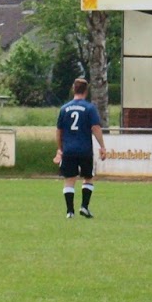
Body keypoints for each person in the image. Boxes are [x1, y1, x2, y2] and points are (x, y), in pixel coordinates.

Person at [55, 77, 107, 218]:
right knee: (88, 177)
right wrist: (102, 146)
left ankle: (70, 212)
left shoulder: (64, 109)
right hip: (84, 150)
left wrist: (60, 148)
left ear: (74, 89)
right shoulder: (89, 108)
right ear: (86, 91)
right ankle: (84, 207)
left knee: (69, 180)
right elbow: (95, 127)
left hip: (69, 150)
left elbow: (59, 131)